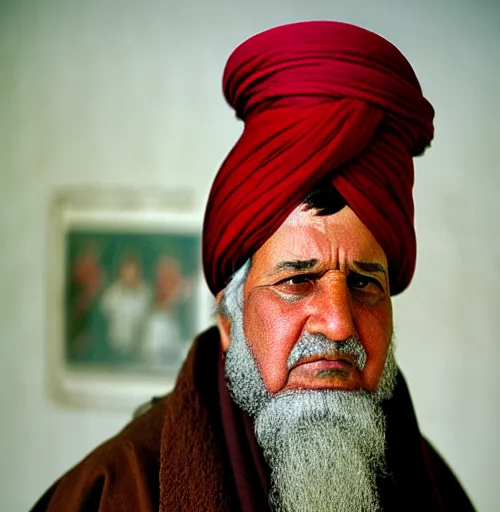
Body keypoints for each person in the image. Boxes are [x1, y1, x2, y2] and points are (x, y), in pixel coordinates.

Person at [31, 21, 476, 511]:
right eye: (297, 280)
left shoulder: (435, 491)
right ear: (228, 320)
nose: (338, 321)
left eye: (364, 283)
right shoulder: (114, 493)